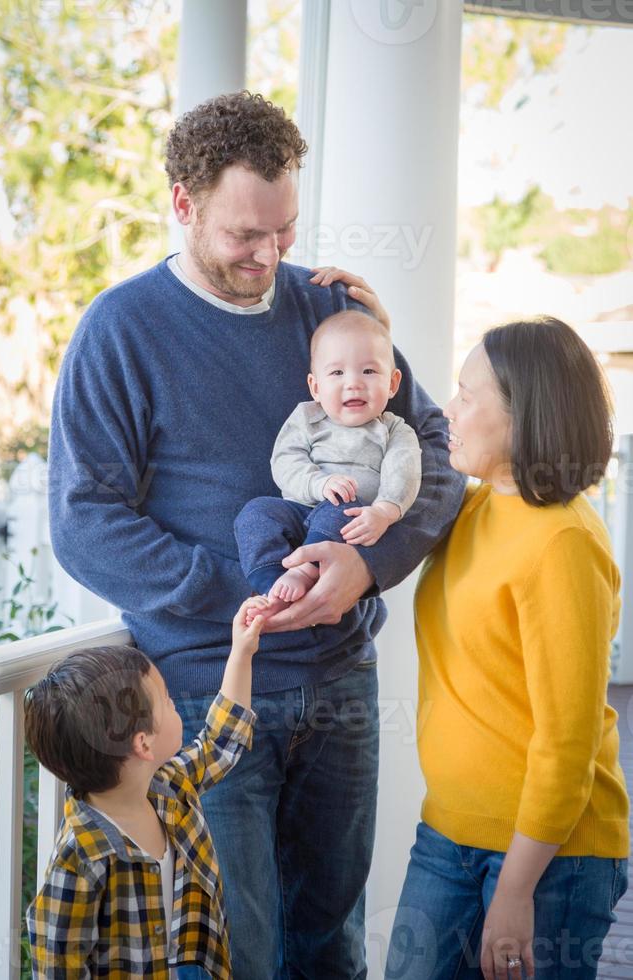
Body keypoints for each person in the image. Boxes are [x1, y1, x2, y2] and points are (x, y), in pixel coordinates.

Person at [48, 90, 466, 978]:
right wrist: (249, 597)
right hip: (207, 695)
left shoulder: (328, 311)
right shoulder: (119, 330)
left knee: (331, 945)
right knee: (234, 953)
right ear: (183, 204)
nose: (269, 254)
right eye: (246, 234)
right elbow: (86, 523)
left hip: (341, 683)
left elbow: (436, 448)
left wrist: (367, 563)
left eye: (284, 230)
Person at [387, 317, 629, 980]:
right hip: (449, 836)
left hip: (549, 858)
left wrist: (516, 890)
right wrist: (371, 324)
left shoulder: (564, 544)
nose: (447, 409)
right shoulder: (474, 506)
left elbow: (567, 740)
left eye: (468, 396)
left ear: (527, 415)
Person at [25, 594, 268, 979]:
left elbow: (221, 742)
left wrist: (242, 651)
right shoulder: (81, 856)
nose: (174, 706)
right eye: (168, 702)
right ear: (143, 744)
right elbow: (57, 965)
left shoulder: (166, 787)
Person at [234, 310, 422, 618]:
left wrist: (384, 512)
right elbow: (285, 461)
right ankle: (270, 584)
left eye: (369, 372)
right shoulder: (307, 418)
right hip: (300, 508)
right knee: (256, 513)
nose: (353, 384)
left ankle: (306, 569)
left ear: (393, 382)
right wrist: (319, 483)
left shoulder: (394, 431)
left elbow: (403, 473)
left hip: (349, 516)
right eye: (337, 374)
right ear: (315, 387)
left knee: (342, 507)